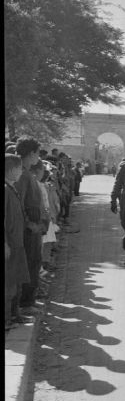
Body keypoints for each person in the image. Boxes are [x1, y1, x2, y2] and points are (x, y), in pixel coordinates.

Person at [15, 138, 48, 311]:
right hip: (28, 230)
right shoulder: (22, 174)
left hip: (34, 228)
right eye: (37, 153)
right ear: (31, 153)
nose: (38, 157)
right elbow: (18, 203)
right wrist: (29, 223)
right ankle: (25, 303)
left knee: (34, 262)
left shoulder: (27, 172)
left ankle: (28, 301)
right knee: (30, 263)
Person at [5, 154, 32, 329]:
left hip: (17, 243)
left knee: (15, 282)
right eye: (20, 168)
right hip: (9, 245)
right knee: (8, 285)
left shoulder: (11, 188)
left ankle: (14, 316)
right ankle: (7, 320)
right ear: (12, 169)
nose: (22, 172)